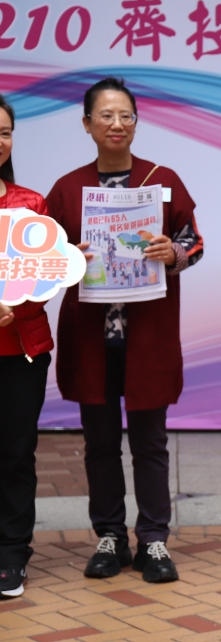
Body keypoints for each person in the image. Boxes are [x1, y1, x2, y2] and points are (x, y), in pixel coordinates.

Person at [46, 77, 204, 584]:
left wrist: (172, 252)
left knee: (150, 443)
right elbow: (47, 258)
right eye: (106, 116)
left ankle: (153, 538)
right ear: (87, 123)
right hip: (91, 337)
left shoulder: (163, 180)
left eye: (126, 116)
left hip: (148, 336)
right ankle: (110, 536)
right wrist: (69, 258)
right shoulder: (67, 189)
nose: (117, 124)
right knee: (99, 443)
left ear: (136, 122)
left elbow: (193, 242)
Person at [0, 95, 55, 599]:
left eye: (4, 132)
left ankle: (12, 554)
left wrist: (18, 305)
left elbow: (44, 277)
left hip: (21, 351)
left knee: (16, 454)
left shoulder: (30, 204)